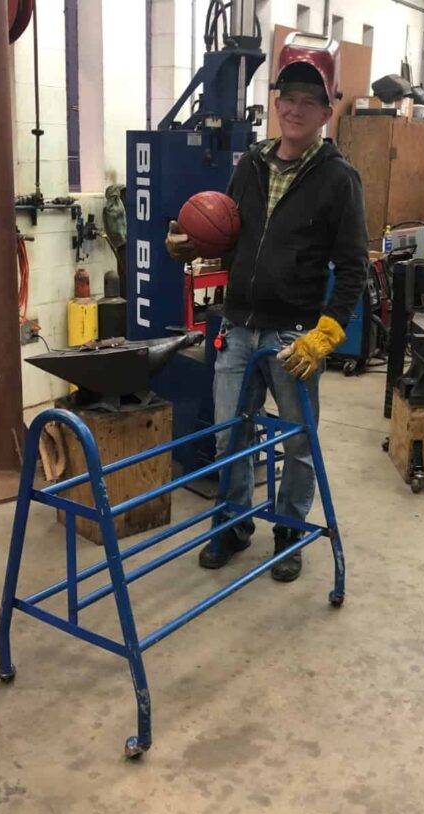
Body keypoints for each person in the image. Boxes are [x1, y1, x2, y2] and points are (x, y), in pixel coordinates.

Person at [165, 35, 368, 582]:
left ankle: (290, 533)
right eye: (288, 96)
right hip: (238, 325)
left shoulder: (339, 180)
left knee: (298, 444)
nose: (295, 109)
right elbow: (231, 237)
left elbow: (353, 269)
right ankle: (231, 526)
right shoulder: (250, 165)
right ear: (275, 103)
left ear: (327, 112)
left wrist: (326, 334)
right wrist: (196, 245)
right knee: (230, 435)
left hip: (295, 337)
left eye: (309, 100)